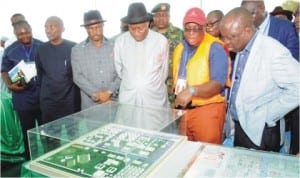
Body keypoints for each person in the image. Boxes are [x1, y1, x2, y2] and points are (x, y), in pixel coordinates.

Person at [220, 7, 299, 152]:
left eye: (231, 37)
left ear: (247, 31)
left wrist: (268, 114)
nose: (226, 43)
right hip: (241, 127)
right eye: (223, 37)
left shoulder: (273, 51)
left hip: (262, 131)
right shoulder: (241, 47)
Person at [173, 7, 229, 144]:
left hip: (207, 112)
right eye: (188, 28)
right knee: (184, 154)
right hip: (184, 112)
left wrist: (192, 91)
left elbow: (217, 84)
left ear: (203, 27)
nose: (191, 33)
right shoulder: (180, 47)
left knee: (208, 157)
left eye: (196, 28)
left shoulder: (215, 47)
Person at [114, 2, 169, 108]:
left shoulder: (161, 41)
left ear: (148, 23)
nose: (136, 32)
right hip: (129, 98)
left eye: (140, 28)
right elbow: (119, 71)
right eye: (132, 29)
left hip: (154, 98)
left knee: (155, 124)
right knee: (129, 123)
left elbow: (164, 72)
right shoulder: (120, 42)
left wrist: (147, 84)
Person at [1, 20, 43, 160]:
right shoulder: (10, 50)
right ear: (15, 34)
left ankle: (48, 159)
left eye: (27, 32)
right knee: (27, 133)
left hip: (42, 97)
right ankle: (30, 161)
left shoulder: (42, 46)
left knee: (46, 132)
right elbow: (4, 71)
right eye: (20, 34)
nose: (25, 36)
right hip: (23, 98)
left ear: (31, 30)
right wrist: (9, 85)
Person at [36, 16, 81, 138]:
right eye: (46, 27)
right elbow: (40, 76)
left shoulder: (73, 48)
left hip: (70, 102)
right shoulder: (40, 49)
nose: (48, 30)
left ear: (62, 29)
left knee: (73, 136)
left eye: (52, 26)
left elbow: (77, 75)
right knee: (51, 138)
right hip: (49, 103)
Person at [71, 10, 120, 110]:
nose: (95, 31)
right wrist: (97, 94)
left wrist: (109, 92)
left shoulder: (116, 46)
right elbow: (77, 77)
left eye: (98, 27)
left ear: (103, 25)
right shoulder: (77, 50)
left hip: (114, 103)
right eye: (91, 28)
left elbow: (121, 72)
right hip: (90, 106)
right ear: (86, 29)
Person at [151, 2, 183, 108]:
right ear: (153, 17)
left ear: (169, 16)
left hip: (174, 86)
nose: (161, 18)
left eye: (164, 15)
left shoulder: (180, 34)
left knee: (176, 118)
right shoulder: (148, 36)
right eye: (158, 15)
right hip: (154, 85)